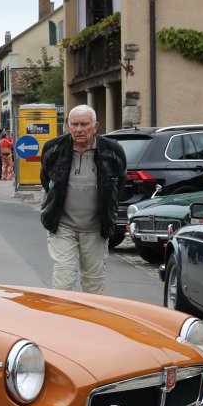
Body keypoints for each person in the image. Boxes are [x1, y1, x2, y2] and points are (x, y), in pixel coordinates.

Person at [39, 104, 127, 294]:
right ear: (68, 126)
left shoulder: (112, 151)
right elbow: (47, 181)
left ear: (95, 127)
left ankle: (88, 315)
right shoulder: (53, 149)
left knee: (93, 284)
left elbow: (119, 185)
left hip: (96, 228)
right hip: (62, 226)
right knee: (63, 281)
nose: (79, 129)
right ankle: (65, 314)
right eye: (74, 124)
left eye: (84, 124)